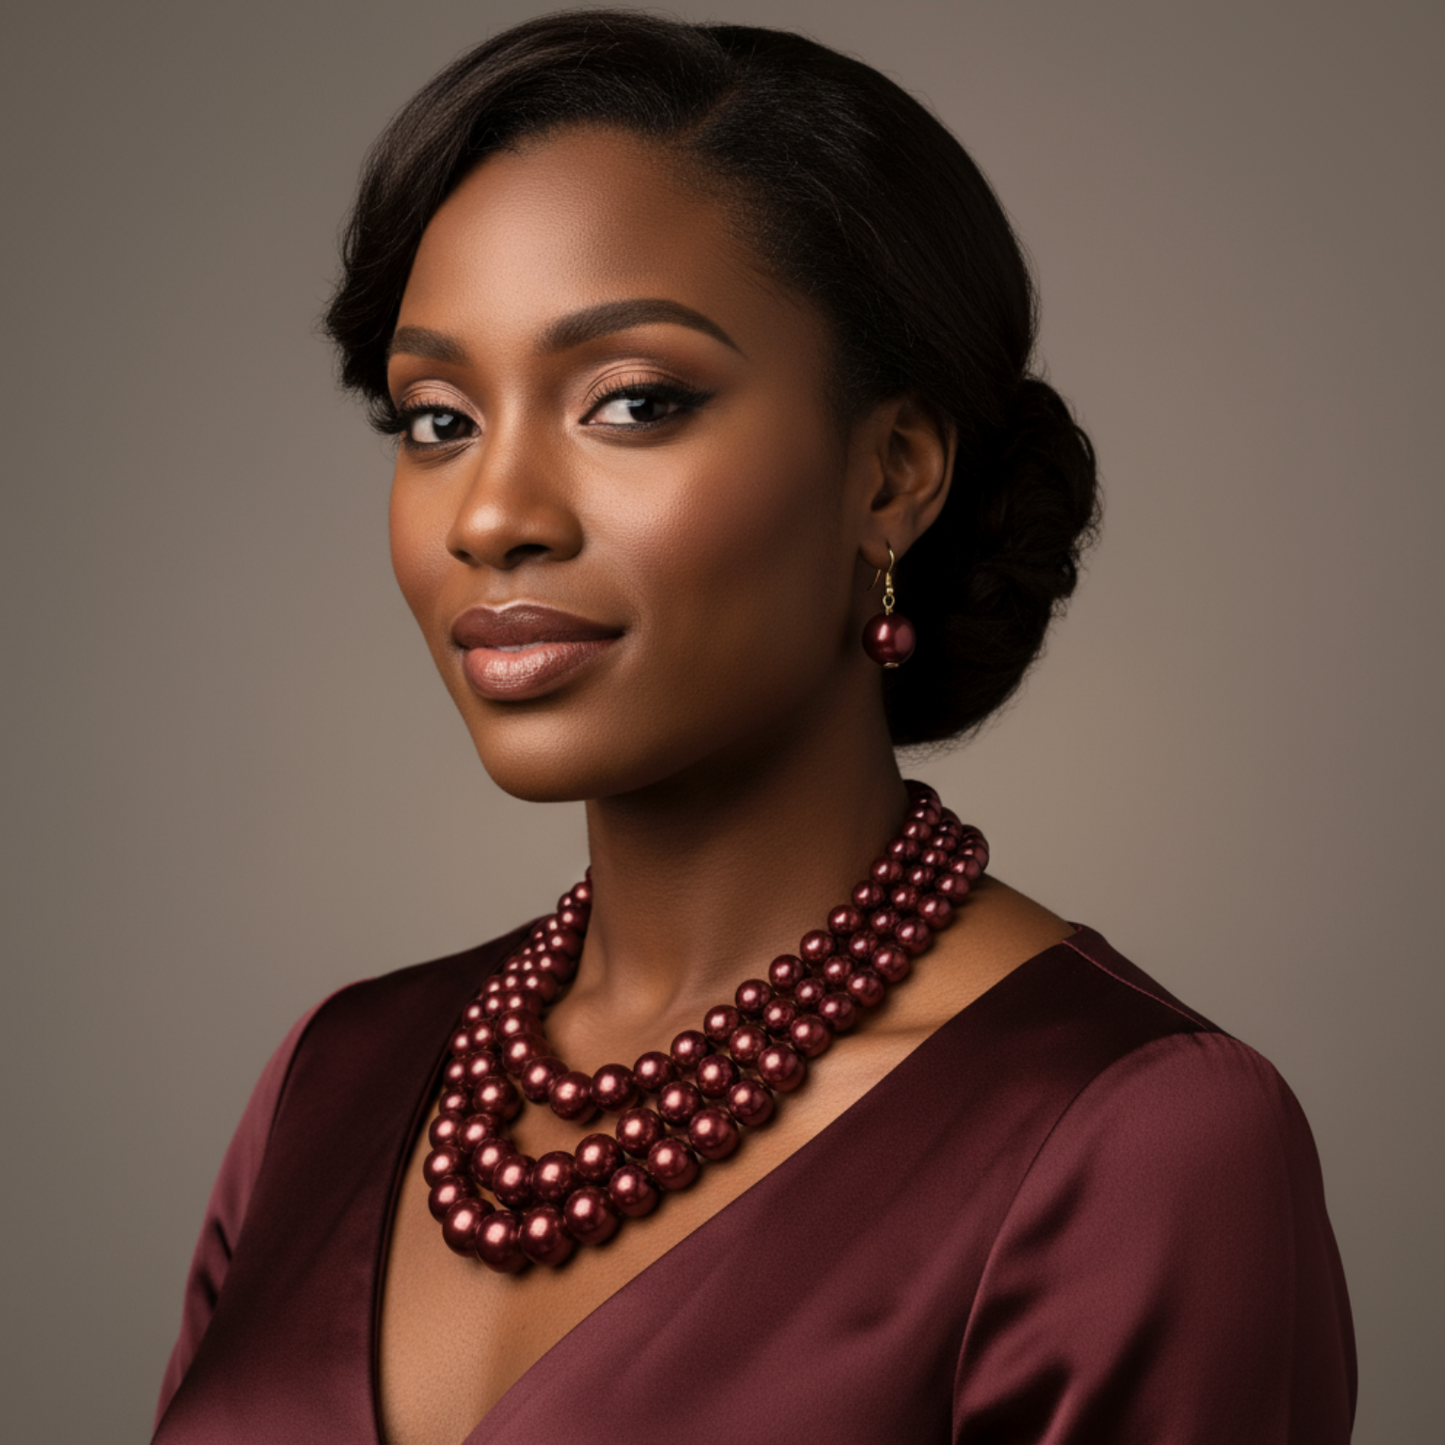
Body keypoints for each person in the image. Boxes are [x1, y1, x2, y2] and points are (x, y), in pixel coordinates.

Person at [151, 12, 1355, 1443]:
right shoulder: (331, 1081)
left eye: (633, 402)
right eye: (437, 420)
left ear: (891, 474)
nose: (492, 516)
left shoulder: (1132, 1143)